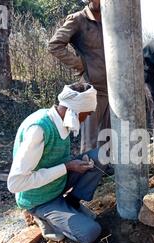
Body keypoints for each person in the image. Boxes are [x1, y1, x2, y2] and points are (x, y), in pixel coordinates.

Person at [7, 82, 107, 243]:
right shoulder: (39, 129)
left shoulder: (62, 119)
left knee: (99, 157)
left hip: (57, 184)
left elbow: (52, 158)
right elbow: (15, 183)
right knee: (91, 232)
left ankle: (70, 203)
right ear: (75, 111)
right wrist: (67, 166)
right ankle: (43, 216)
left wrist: (71, 164)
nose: (87, 118)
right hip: (39, 198)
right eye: (86, 114)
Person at [48, 0, 110, 153]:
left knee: (109, 137)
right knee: (90, 140)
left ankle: (104, 171)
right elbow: (54, 45)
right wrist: (80, 65)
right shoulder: (78, 19)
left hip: (113, 88)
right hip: (93, 89)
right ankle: (89, 171)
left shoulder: (110, 19)